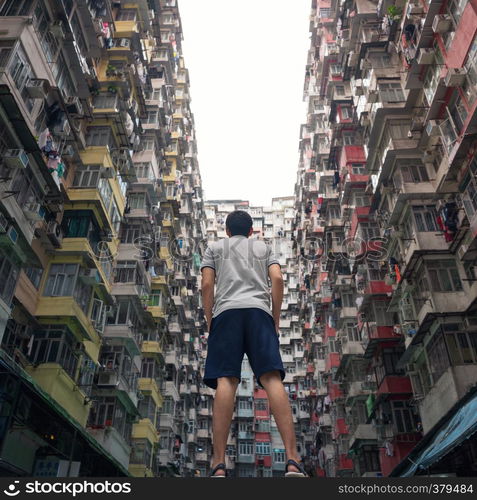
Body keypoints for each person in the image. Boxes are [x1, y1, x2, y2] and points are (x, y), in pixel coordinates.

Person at [200, 210, 307, 478]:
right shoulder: (263, 247)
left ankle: (218, 464)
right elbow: (278, 280)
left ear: (227, 230)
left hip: (226, 314)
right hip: (259, 313)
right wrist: (275, 317)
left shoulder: (214, 248)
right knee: (272, 379)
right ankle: (293, 460)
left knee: (226, 381)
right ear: (251, 231)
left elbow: (206, 285)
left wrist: (210, 319)